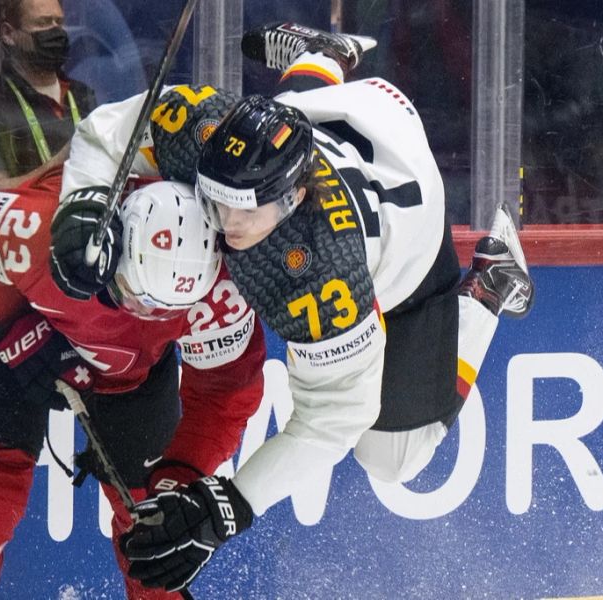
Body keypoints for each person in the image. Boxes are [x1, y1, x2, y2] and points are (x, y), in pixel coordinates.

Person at [54, 23, 535, 593]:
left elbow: (333, 421)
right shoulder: (209, 133)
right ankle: (321, 56)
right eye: (214, 200)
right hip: (358, 114)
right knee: (282, 115)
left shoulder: (320, 278)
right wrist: (80, 206)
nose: (221, 226)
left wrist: (225, 508)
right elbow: (105, 133)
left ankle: (489, 285)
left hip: (409, 225)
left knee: (391, 458)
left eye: (241, 217)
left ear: (293, 199)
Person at [0, 83, 266, 600]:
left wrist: (179, 478)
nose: (147, 313)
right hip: (18, 320)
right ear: (116, 247)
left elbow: (226, 395)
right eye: (136, 295)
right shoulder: (45, 229)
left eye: (164, 308)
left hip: (133, 373)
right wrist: (21, 334)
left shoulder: (220, 296)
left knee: (155, 528)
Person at [0, 0, 96, 190]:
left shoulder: (83, 94)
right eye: (43, 23)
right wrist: (57, 164)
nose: (56, 32)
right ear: (8, 34)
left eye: (59, 22)